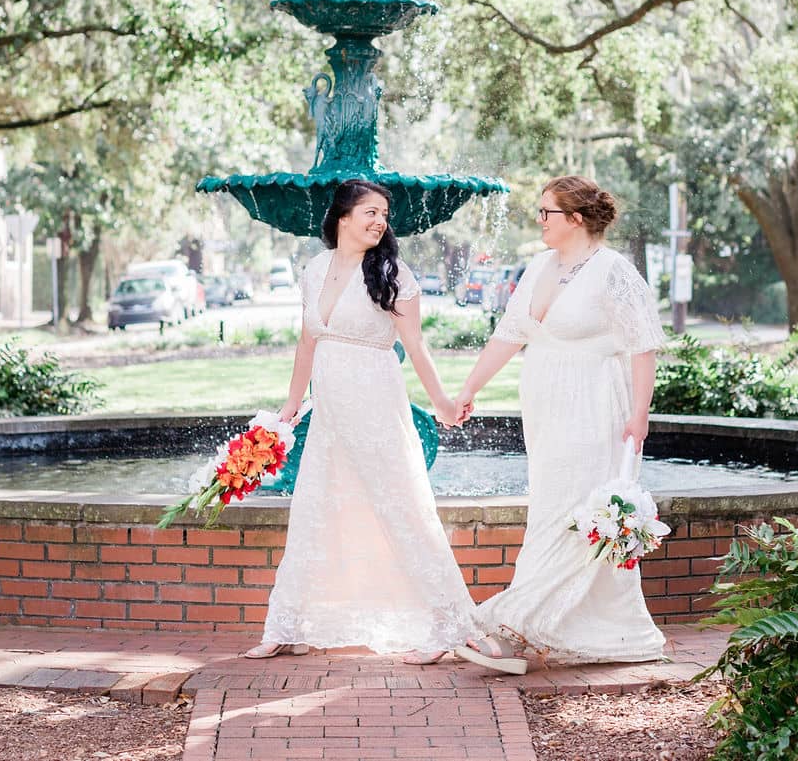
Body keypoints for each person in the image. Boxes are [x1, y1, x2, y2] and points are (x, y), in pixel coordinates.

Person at [246, 179, 478, 665]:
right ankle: (288, 625)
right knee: (313, 510)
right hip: (329, 411)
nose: (380, 221)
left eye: (384, 213)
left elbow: (416, 347)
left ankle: (449, 624)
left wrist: (442, 402)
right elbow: (307, 341)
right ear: (343, 217)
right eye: (370, 211)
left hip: (375, 402)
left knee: (402, 506)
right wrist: (291, 404)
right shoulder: (315, 269)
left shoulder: (393, 273)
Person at [452, 175, 668, 673]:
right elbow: (509, 335)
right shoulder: (539, 267)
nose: (539, 220)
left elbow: (642, 346)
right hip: (546, 409)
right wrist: (470, 388)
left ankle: (514, 627)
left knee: (574, 513)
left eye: (546, 212)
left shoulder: (615, 272)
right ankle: (543, 627)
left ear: (574, 218)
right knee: (549, 510)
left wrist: (640, 414)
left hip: (594, 404)